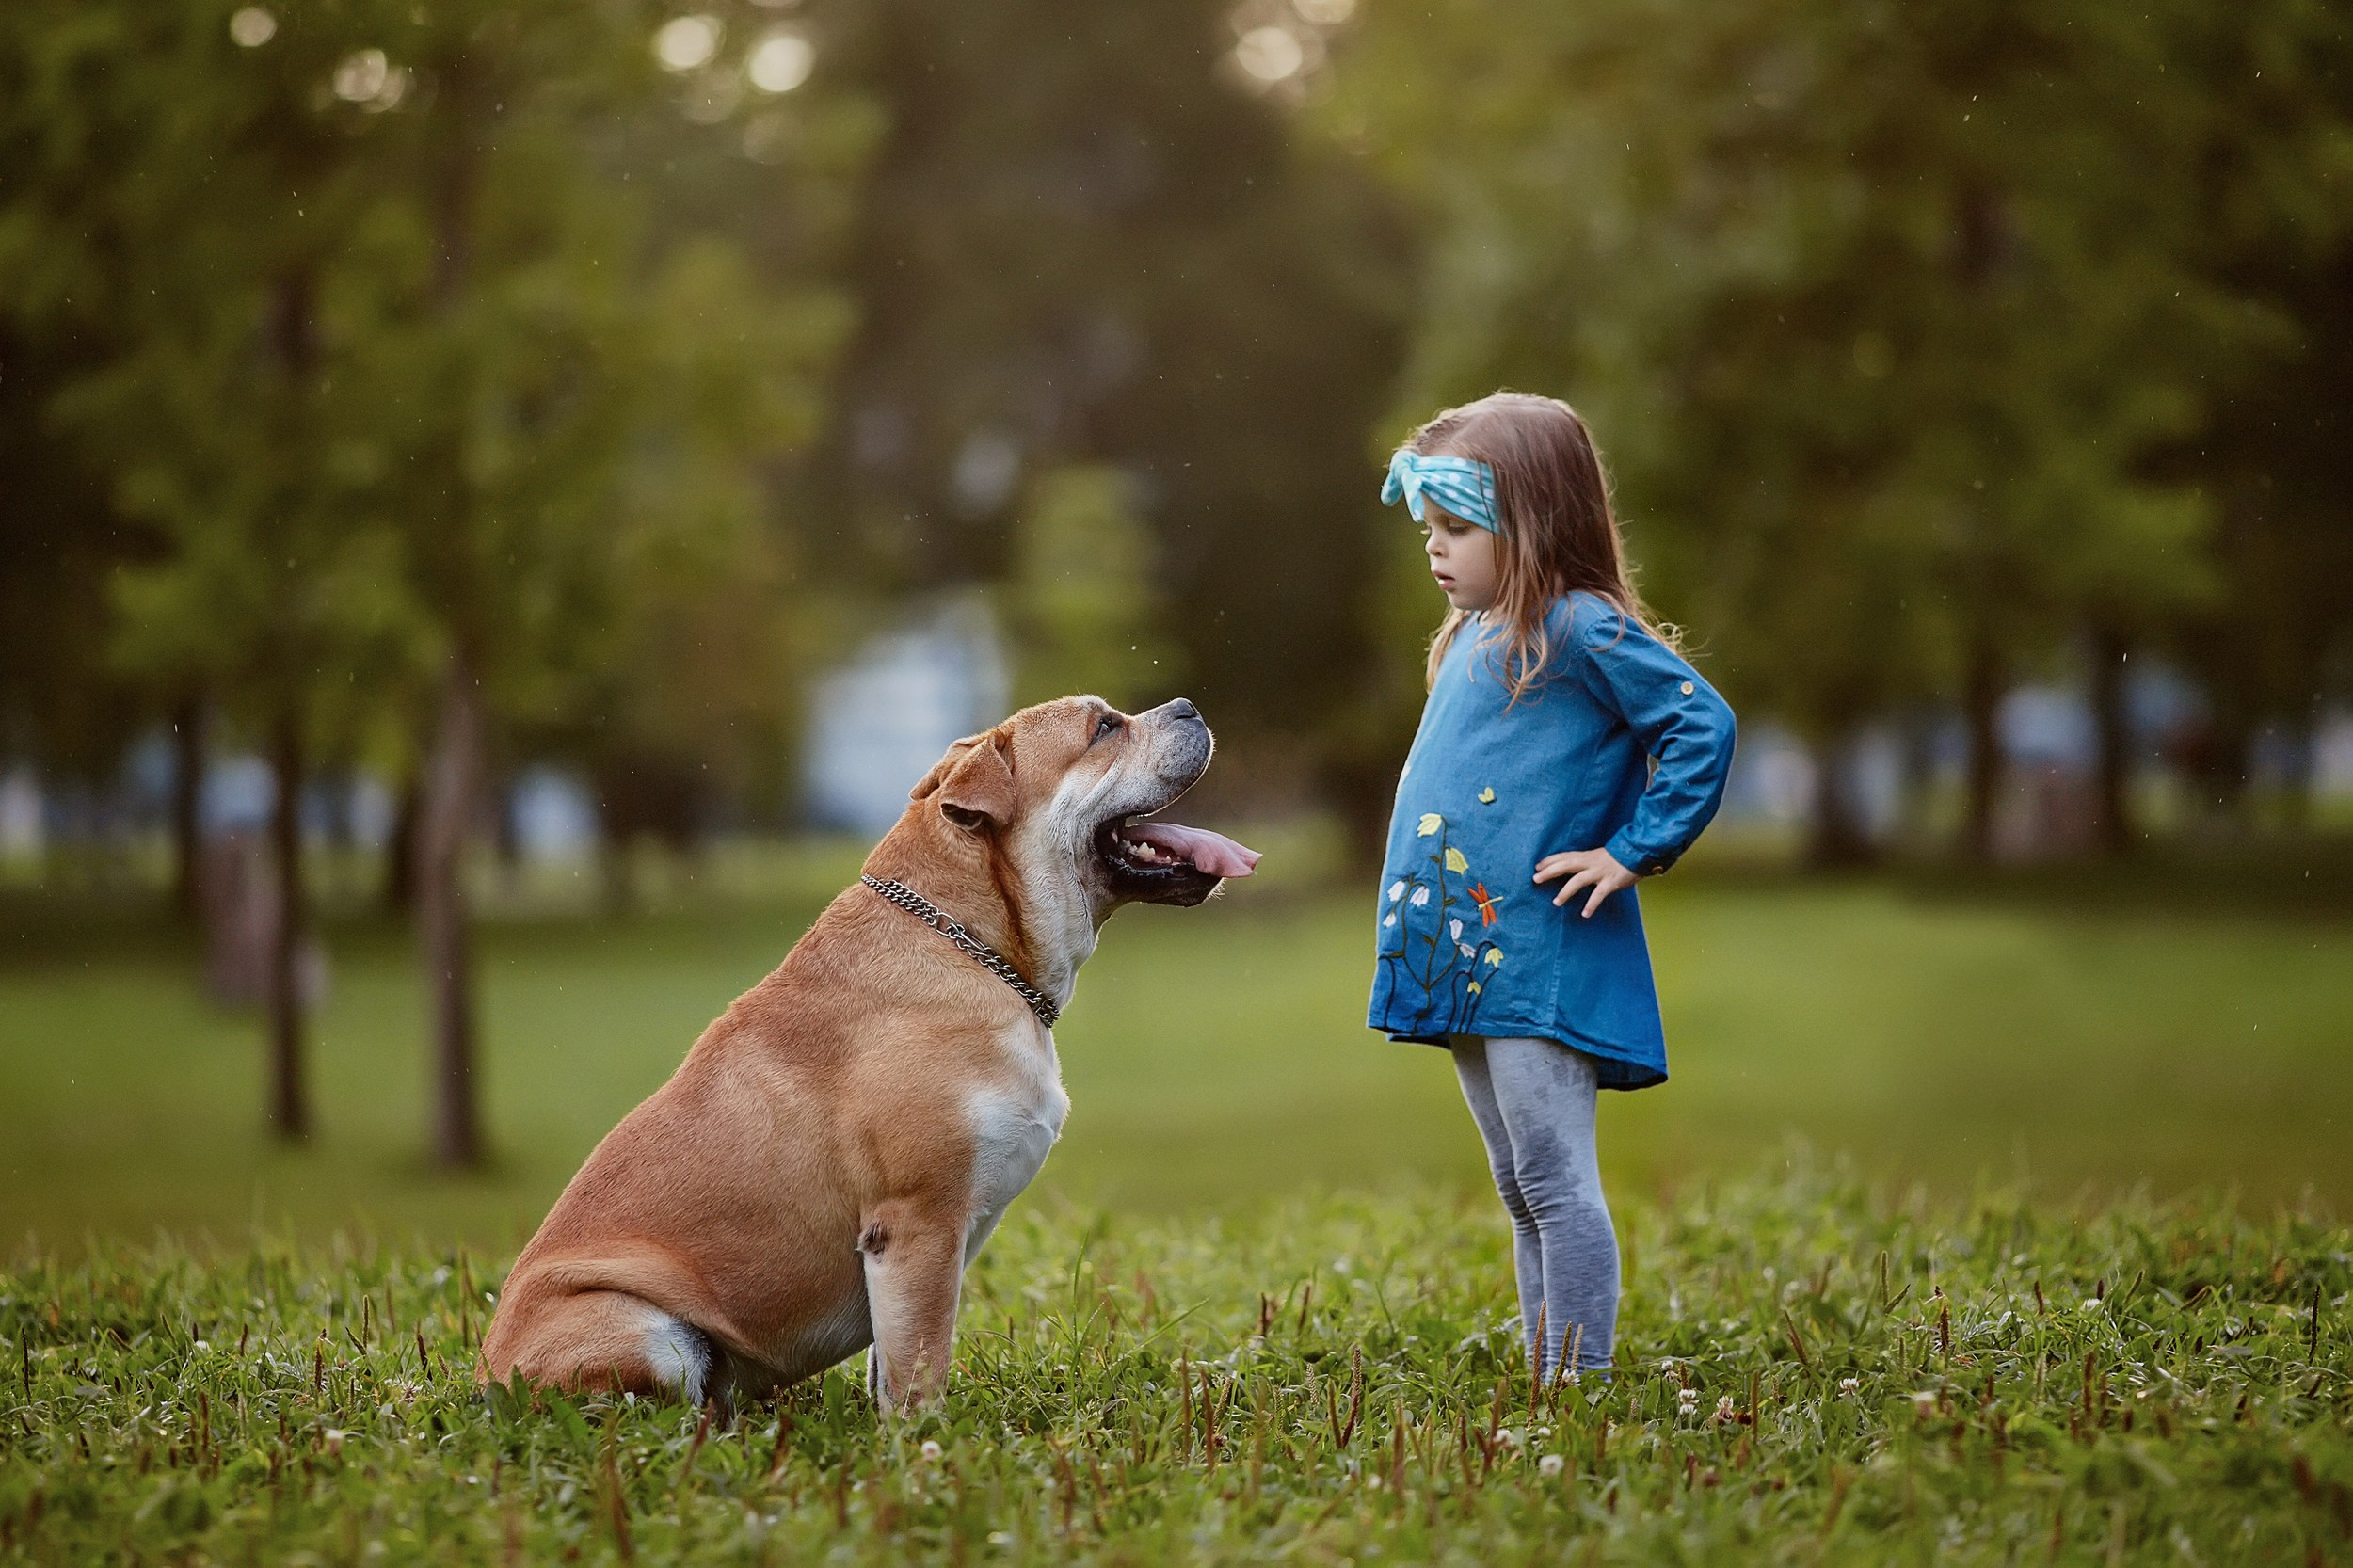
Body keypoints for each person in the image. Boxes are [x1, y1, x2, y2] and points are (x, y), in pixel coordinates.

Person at [1369, 392, 1737, 1384]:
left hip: (1539, 947)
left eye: (1456, 529)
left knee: (1552, 1178)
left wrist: (1631, 848)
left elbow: (1701, 724)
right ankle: (1548, 1369)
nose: (1435, 552)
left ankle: (1580, 1378)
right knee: (1517, 1182)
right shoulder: (1476, 636)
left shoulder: (1575, 629)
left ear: (1530, 524)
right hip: (1471, 956)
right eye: (1428, 531)